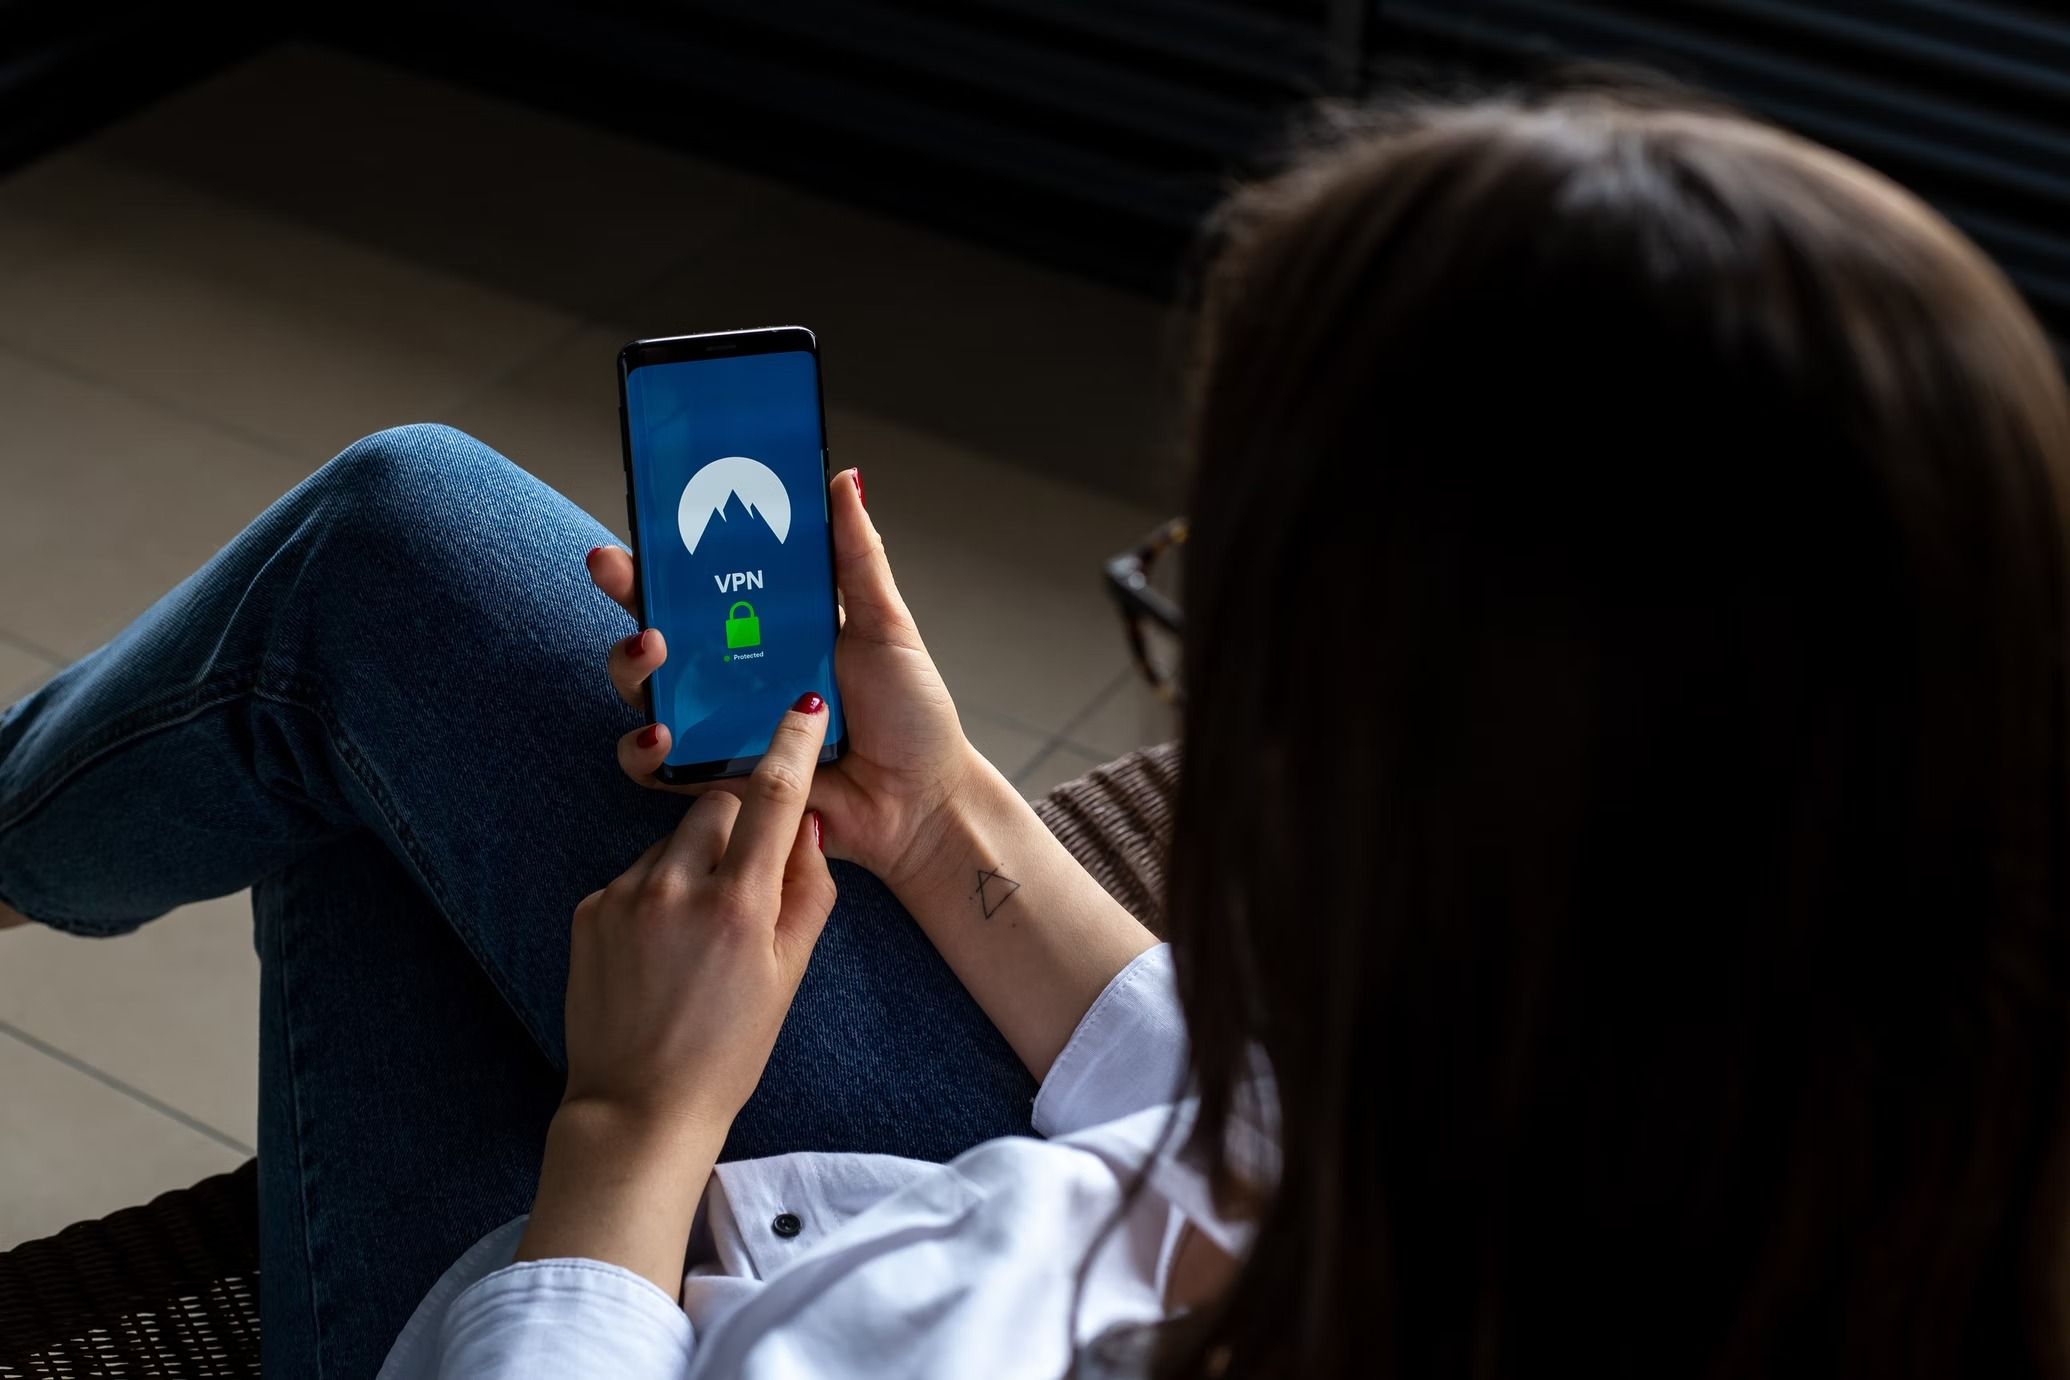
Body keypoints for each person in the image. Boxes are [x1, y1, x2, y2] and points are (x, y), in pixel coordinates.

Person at [4, 82, 2069, 1379]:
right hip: (1003, 1226)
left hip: (615, 1311)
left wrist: (631, 1142)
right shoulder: (1786, 1090)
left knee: (366, 724)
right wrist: (949, 815)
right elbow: (1264, 1157)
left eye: (1217, 602)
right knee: (409, 546)